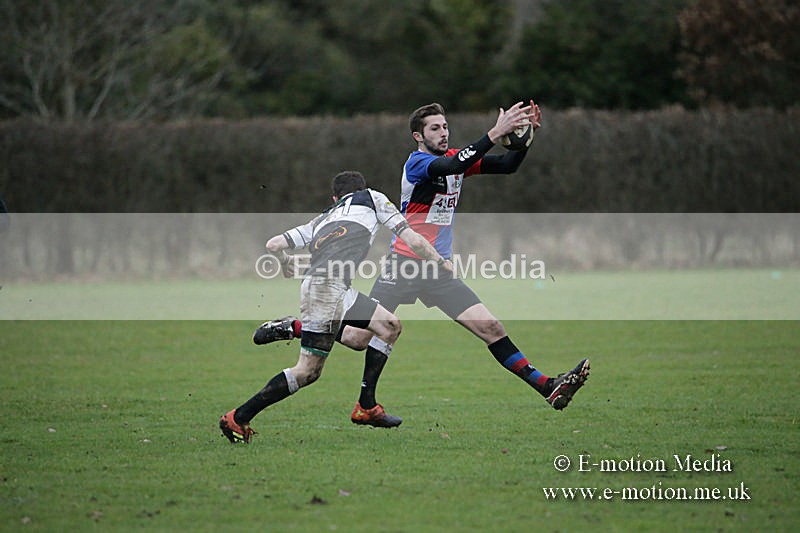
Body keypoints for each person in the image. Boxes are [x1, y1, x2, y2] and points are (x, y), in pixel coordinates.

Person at [255, 101, 589, 428]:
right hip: (404, 264)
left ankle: (547, 386)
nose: (443, 132)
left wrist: (523, 139)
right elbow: (453, 166)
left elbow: (507, 165)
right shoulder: (417, 164)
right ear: (418, 136)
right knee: (358, 339)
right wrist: (494, 132)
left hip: (438, 270)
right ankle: (297, 329)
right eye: (435, 128)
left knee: (491, 328)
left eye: (445, 126)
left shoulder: (454, 158)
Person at [220, 170, 452, 443]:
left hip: (330, 288)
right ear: (361, 188)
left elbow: (273, 244)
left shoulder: (322, 218)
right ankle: (238, 417)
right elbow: (410, 237)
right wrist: (440, 261)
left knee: (382, 330)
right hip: (326, 289)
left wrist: (285, 263)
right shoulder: (372, 198)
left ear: (335, 198)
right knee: (307, 372)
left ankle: (365, 405)